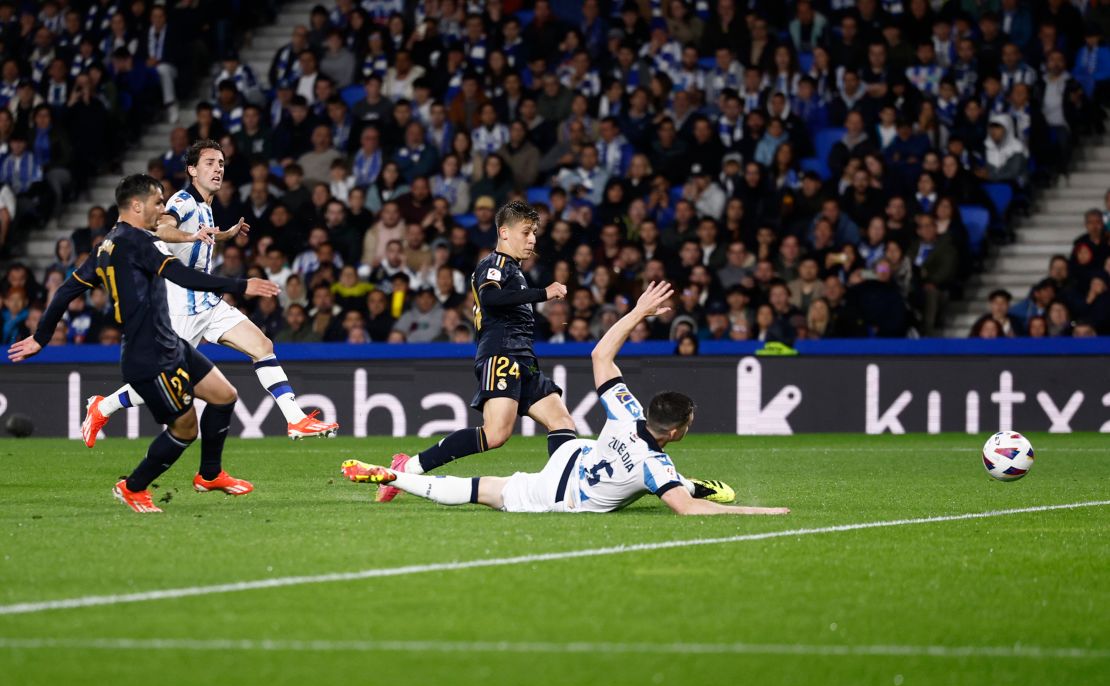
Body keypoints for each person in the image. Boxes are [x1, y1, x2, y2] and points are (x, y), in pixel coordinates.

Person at [341, 281, 790, 516]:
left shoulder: (627, 411)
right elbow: (686, 509)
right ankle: (395, 475)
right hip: (559, 493)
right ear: (675, 431)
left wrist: (637, 312)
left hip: (577, 456)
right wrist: (764, 510)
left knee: (559, 424)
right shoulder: (656, 465)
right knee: (478, 491)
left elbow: (600, 354)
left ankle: (397, 473)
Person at [8, 174, 280, 513]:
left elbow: (67, 290)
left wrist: (41, 337)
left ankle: (210, 474)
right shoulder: (138, 243)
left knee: (224, 396)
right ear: (136, 206)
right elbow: (182, 275)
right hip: (149, 355)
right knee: (184, 428)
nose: (162, 209)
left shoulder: (107, 245)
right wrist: (242, 285)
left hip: (169, 344)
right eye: (157, 202)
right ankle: (132, 486)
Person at [81, 140, 339, 446]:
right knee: (162, 381)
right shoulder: (184, 200)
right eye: (209, 163)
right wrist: (192, 234)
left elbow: (194, 244)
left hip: (207, 301)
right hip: (180, 305)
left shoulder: (205, 206)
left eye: (221, 163)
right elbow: (162, 228)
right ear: (192, 170)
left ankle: (295, 419)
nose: (217, 169)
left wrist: (223, 235)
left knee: (262, 345)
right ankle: (102, 406)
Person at [375, 201, 576, 503]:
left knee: (562, 423)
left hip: (524, 356)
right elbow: (491, 298)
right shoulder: (493, 264)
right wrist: (543, 294)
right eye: (526, 232)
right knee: (495, 434)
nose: (533, 238)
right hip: (502, 354)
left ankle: (563, 491)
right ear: (504, 232)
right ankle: (408, 467)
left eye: (534, 232)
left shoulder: (513, 270)